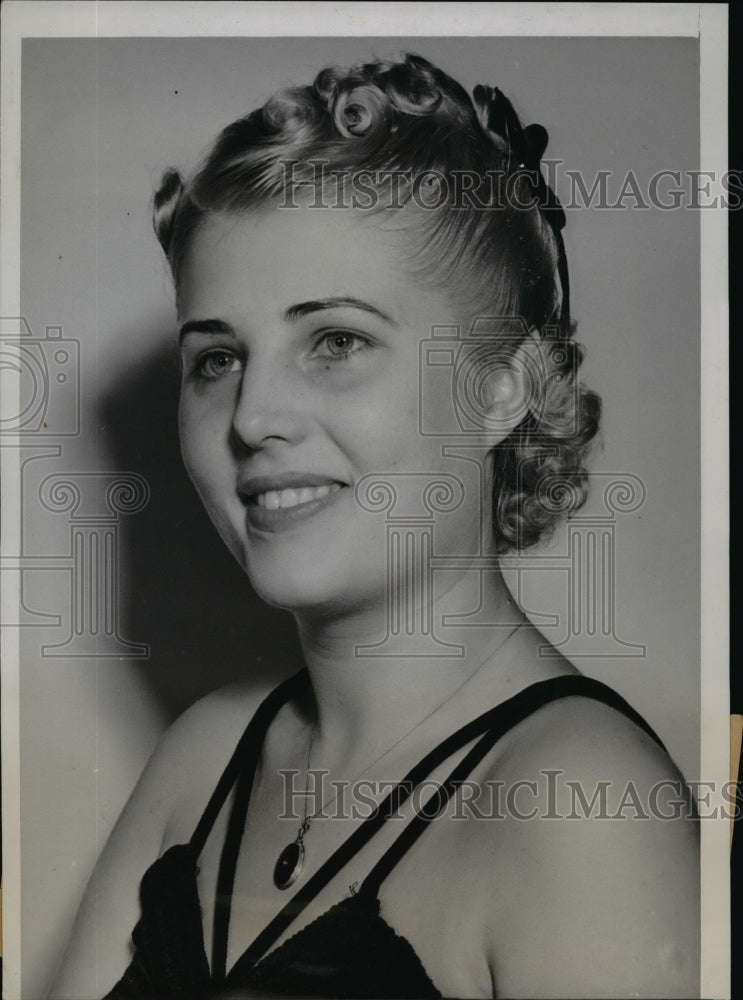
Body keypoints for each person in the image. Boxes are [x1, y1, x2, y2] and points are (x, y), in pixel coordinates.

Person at [48, 53, 699, 999]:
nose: (251, 415)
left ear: (499, 389)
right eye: (218, 358)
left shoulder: (584, 810)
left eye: (336, 341)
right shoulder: (205, 755)